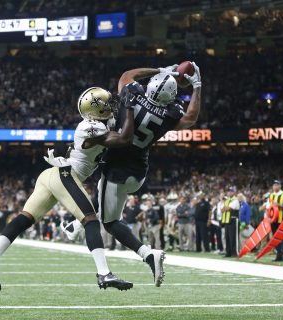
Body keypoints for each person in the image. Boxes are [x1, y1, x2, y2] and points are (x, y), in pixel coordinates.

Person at [0, 87, 135, 292]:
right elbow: (124, 139)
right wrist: (131, 110)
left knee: (25, 218)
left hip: (52, 175)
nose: (110, 107)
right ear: (94, 110)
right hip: (64, 174)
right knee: (89, 220)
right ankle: (104, 274)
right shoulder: (90, 127)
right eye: (106, 104)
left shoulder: (98, 125)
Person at [63, 62, 202, 286]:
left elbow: (128, 74)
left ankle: (148, 254)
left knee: (109, 222)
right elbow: (191, 118)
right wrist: (197, 86)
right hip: (139, 172)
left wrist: (161, 70)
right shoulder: (171, 113)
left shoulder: (133, 93)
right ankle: (75, 225)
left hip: (117, 167)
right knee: (101, 193)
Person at [268, 180, 283, 261]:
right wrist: (268, 217)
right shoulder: (271, 195)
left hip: (282, 219)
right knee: (275, 238)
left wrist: (279, 205)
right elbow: (268, 207)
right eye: (274, 185)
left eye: (277, 185)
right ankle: (279, 254)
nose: (275, 186)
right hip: (273, 220)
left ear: (280, 186)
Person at [221, 187, 240, 257]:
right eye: (229, 191)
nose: (229, 192)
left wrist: (225, 208)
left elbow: (228, 209)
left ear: (234, 192)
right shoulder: (228, 200)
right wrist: (225, 208)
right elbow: (222, 210)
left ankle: (234, 252)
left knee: (233, 237)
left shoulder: (235, 200)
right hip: (227, 221)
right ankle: (228, 252)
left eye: (231, 191)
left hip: (233, 220)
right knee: (227, 237)